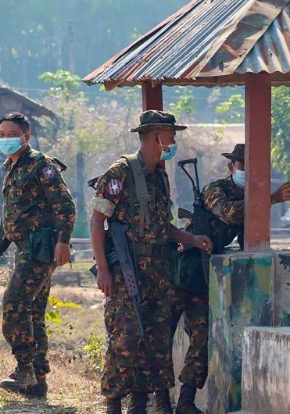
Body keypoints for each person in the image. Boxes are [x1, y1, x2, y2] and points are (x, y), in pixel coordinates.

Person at [89, 110, 212, 414]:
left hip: (158, 272)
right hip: (127, 271)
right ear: (156, 136)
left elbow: (163, 227)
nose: (174, 142)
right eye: (171, 135)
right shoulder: (121, 172)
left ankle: (145, 405)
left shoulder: (160, 177)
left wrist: (193, 240)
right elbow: (96, 221)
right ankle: (114, 404)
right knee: (125, 337)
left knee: (156, 341)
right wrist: (103, 269)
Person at [170, 143, 290, 412]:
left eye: (251, 166)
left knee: (201, 336)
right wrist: (274, 198)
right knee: (160, 335)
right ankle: (158, 398)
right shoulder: (215, 190)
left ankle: (185, 401)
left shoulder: (253, 197)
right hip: (180, 268)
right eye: (242, 164)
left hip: (202, 272)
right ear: (232, 167)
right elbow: (231, 212)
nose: (246, 170)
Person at [0, 112, 76, 397]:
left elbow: (65, 206)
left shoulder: (43, 166)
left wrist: (63, 242)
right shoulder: (12, 166)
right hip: (25, 247)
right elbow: (16, 210)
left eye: (11, 134)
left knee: (14, 303)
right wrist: (2, 237)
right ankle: (38, 381)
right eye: (1, 135)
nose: (5, 139)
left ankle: (23, 369)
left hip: (40, 249)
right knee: (33, 313)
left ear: (26, 136)